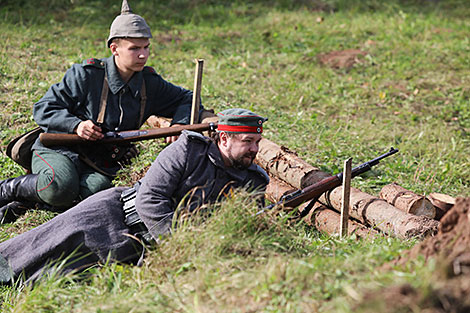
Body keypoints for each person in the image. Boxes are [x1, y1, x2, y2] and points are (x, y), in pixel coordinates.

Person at [0, 108, 270, 284]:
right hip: (111, 216)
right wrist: (180, 245)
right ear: (224, 139)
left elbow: (239, 228)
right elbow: (150, 199)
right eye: (247, 142)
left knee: (55, 279)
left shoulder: (253, 181)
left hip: (138, 249)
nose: (254, 149)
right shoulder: (187, 150)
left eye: (257, 142)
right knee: (28, 252)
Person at [0, 0, 203, 222]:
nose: (143, 55)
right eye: (134, 49)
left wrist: (178, 125)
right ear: (114, 49)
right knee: (61, 186)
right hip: (59, 148)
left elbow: (188, 98)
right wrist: (76, 125)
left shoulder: (150, 83)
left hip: (98, 160)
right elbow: (44, 108)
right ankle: (9, 189)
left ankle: (28, 203)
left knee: (95, 194)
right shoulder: (86, 75)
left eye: (146, 47)